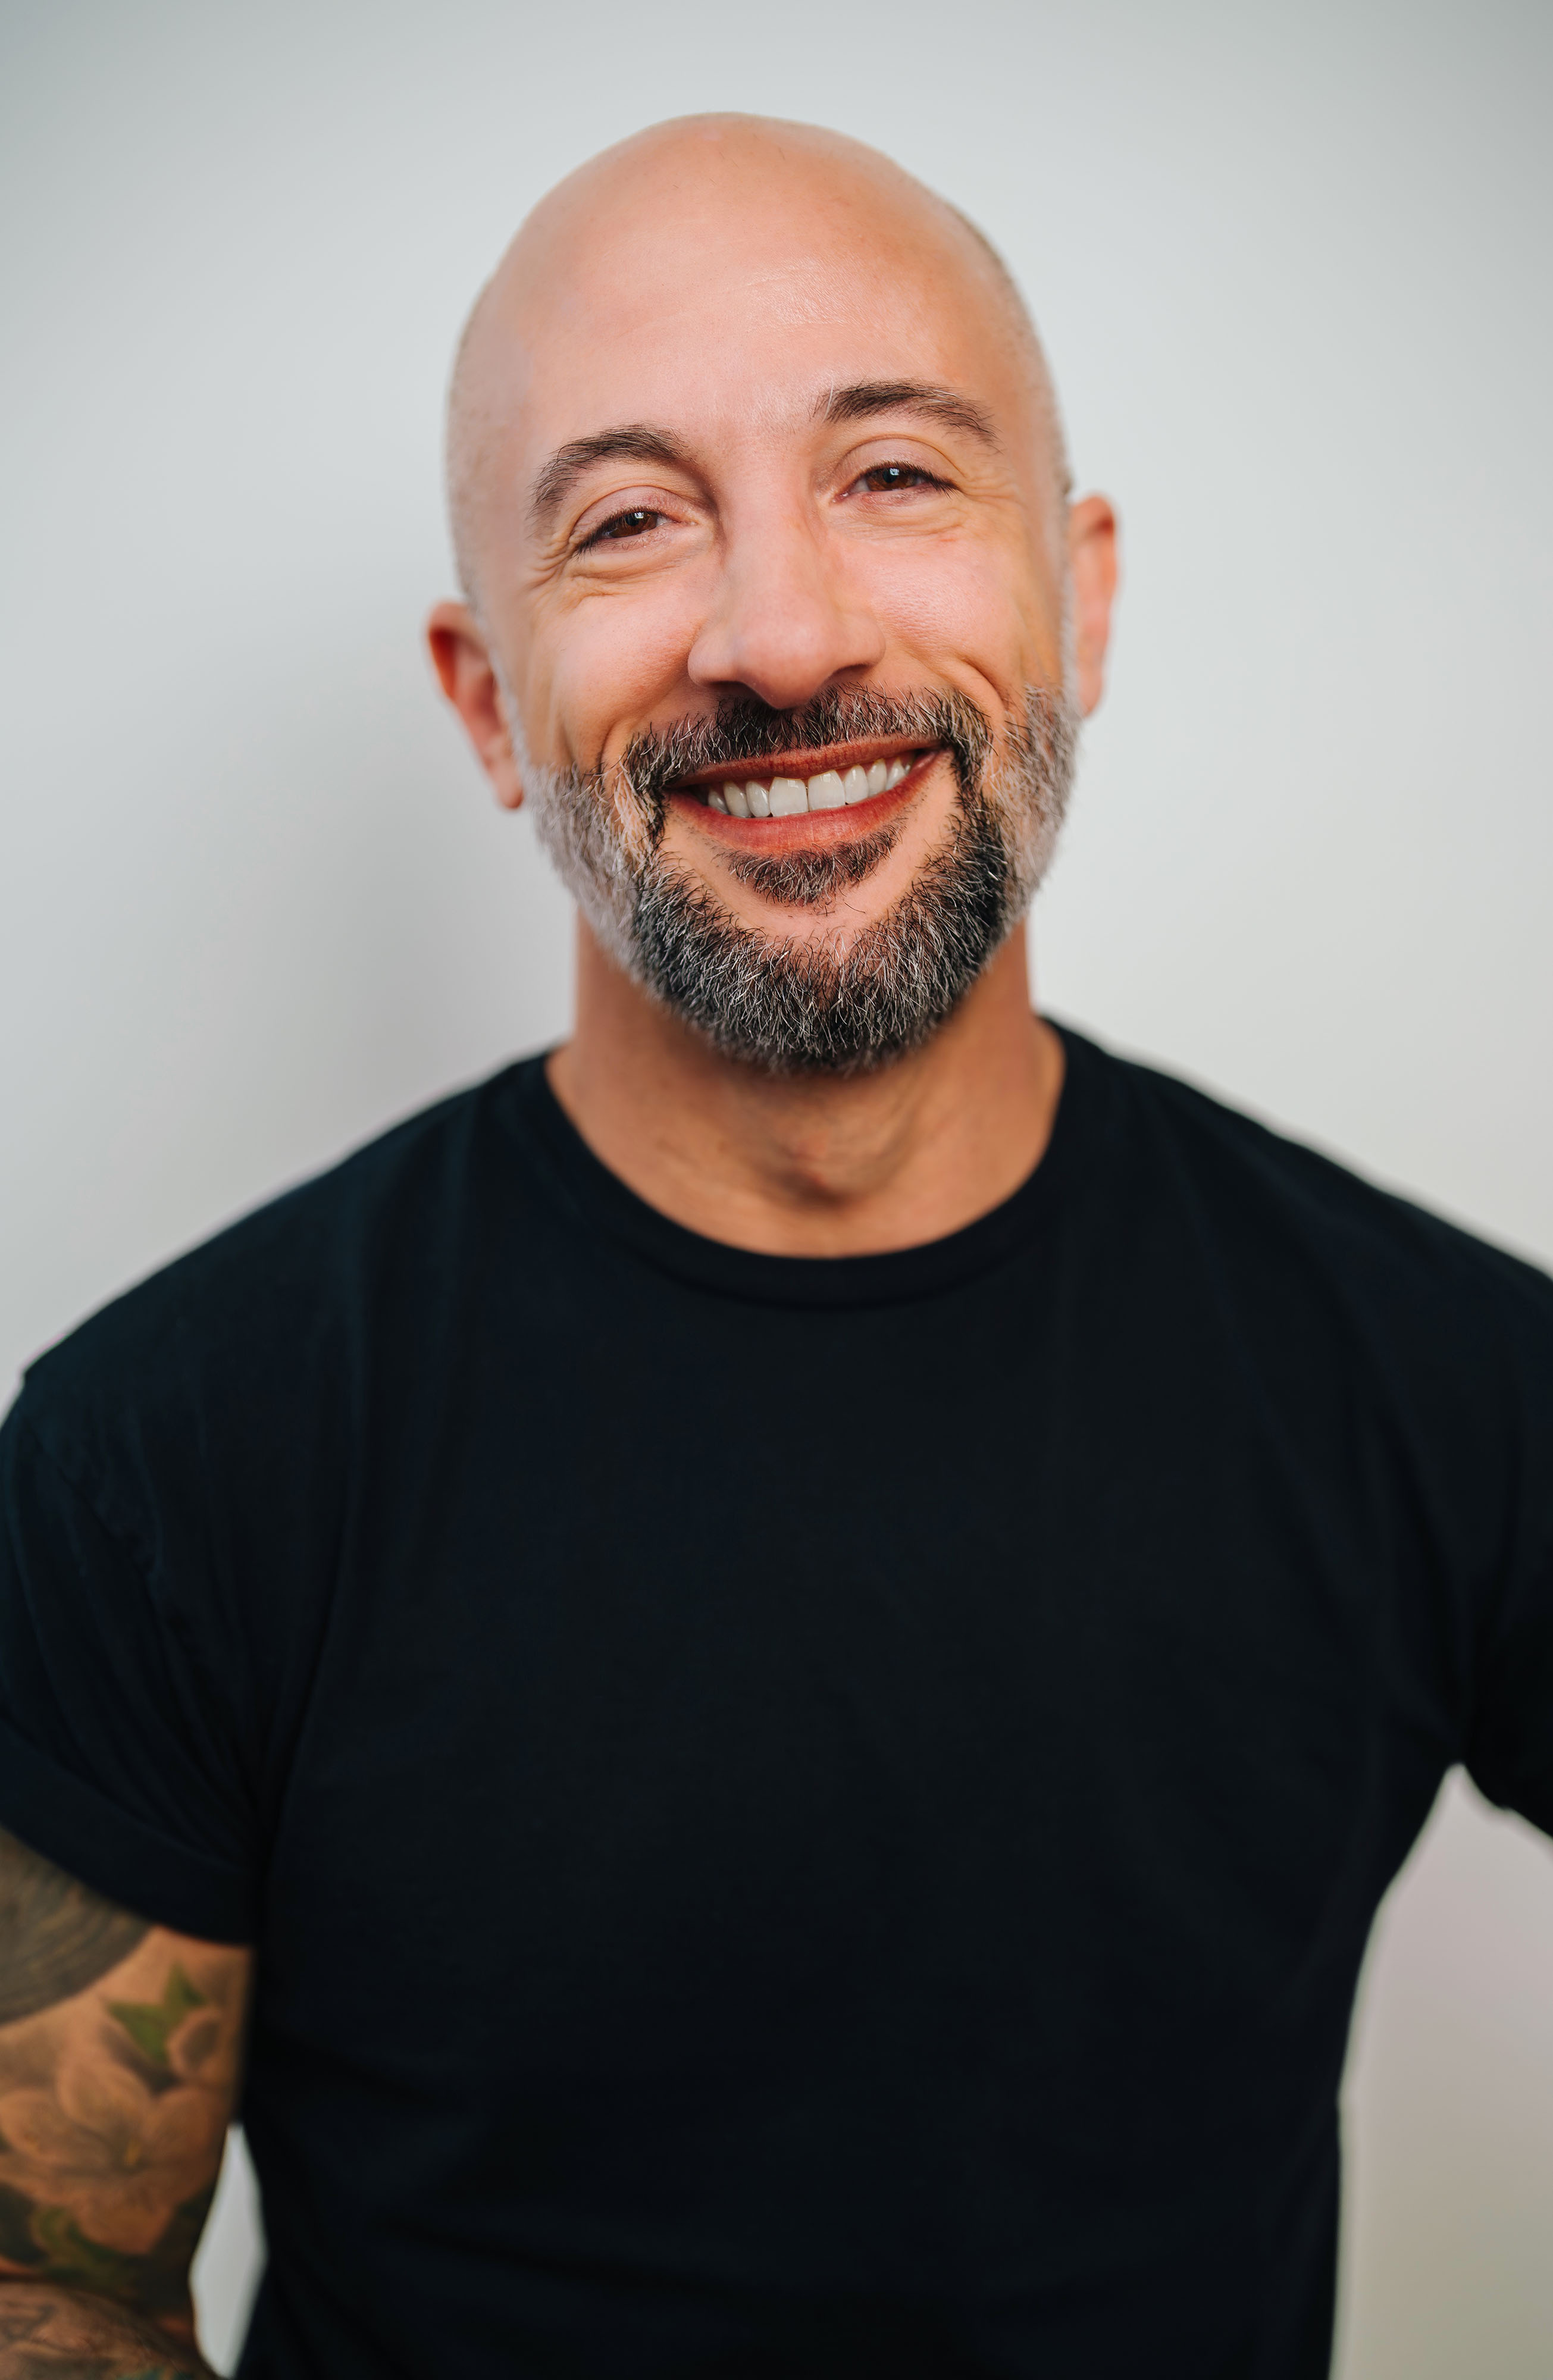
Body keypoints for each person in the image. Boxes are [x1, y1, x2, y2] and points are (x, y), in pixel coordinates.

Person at [0, 111, 1548, 2380]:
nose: (784, 631)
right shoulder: (161, 1461)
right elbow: (52, 2279)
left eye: (896, 476)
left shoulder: (1448, 1385)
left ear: (1082, 594)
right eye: (626, 522)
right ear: (481, 702)